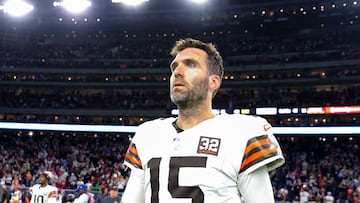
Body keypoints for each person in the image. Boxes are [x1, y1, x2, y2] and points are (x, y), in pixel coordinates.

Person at [120, 38, 285, 203]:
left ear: (213, 82)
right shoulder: (147, 134)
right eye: (174, 67)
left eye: (190, 65)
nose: (177, 72)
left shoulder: (241, 133)